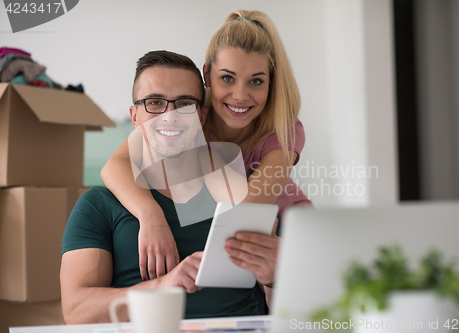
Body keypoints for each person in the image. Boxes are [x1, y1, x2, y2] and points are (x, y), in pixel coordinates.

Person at [60, 50, 279, 324]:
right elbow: (76, 311)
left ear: (201, 116)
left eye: (185, 103)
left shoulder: (241, 198)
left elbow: (291, 309)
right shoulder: (98, 205)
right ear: (135, 116)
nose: (170, 115)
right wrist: (160, 288)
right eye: (154, 102)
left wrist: (274, 279)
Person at [101, 9, 312, 282]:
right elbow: (114, 166)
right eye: (227, 78)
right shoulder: (188, 112)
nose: (240, 95)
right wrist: (150, 216)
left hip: (279, 228)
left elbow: (244, 214)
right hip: (224, 231)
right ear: (207, 75)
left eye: (256, 81)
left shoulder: (283, 129)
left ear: (271, 83)